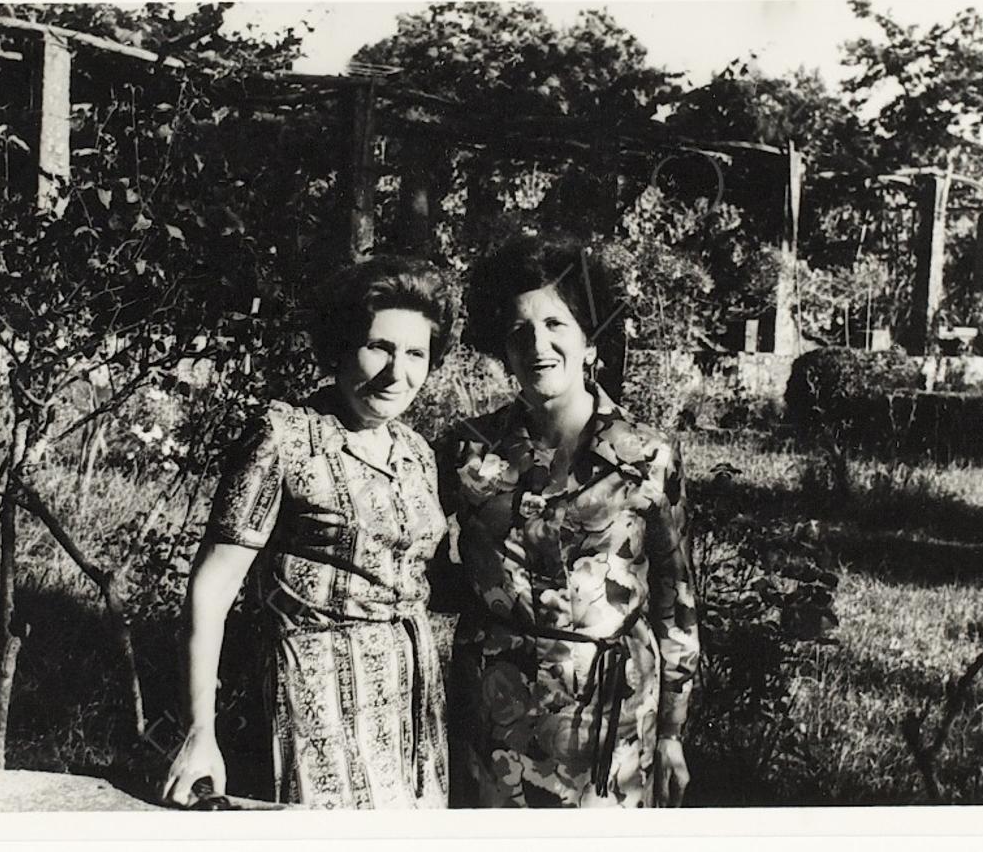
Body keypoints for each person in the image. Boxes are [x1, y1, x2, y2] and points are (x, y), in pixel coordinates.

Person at [161, 257, 456, 810]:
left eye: (416, 353)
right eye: (379, 347)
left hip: (413, 706)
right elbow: (212, 588)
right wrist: (199, 732)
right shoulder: (285, 437)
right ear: (340, 346)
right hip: (318, 700)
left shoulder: (416, 453)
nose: (398, 373)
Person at [438, 235, 700, 808]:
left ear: (589, 340)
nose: (537, 344)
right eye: (518, 331)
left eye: (556, 324)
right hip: (493, 711)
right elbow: (415, 555)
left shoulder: (647, 456)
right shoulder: (465, 450)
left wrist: (675, 732)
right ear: (502, 349)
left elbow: (674, 598)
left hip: (615, 713)